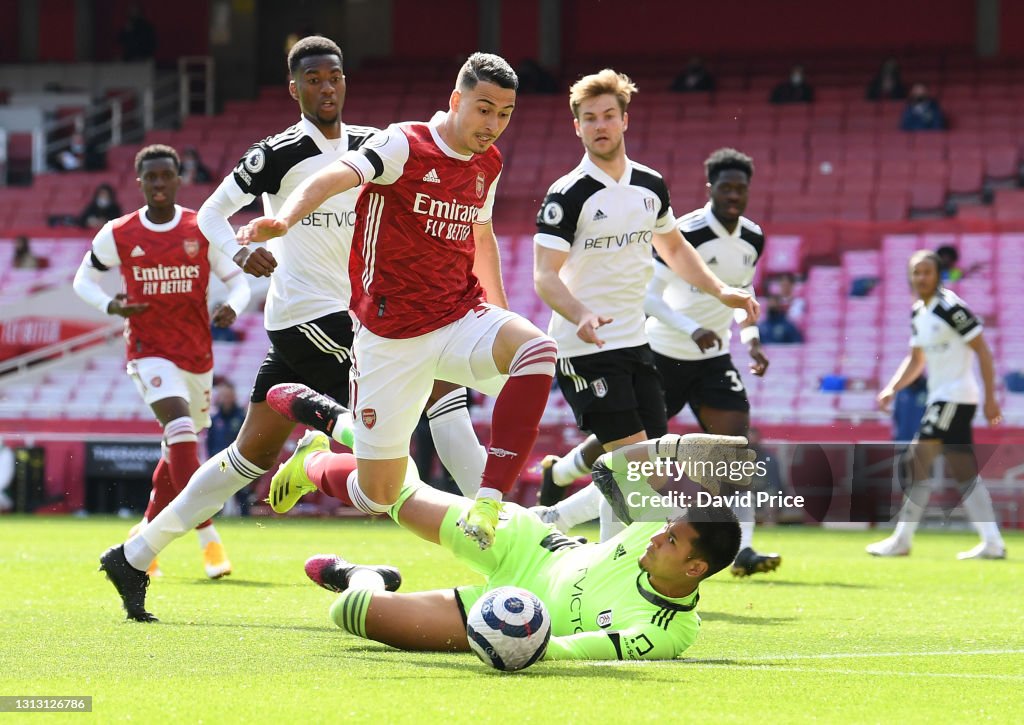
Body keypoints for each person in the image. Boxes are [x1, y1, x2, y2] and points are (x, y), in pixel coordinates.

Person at [240, 52, 558, 551]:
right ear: (456, 100)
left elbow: (481, 234)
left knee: (537, 351)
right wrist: (285, 219)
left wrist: (501, 310)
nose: (493, 123)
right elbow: (332, 178)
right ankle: (316, 463)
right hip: (390, 337)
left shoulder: (488, 163)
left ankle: (490, 502)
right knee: (378, 492)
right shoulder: (401, 143)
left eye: (505, 113)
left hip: (458, 316)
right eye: (483, 108)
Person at [530, 73, 757, 542]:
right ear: (577, 128)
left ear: (624, 120)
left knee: (641, 465)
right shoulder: (567, 194)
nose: (600, 126)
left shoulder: (650, 184)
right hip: (584, 347)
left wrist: (722, 291)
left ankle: (554, 524)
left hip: (637, 343)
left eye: (609, 116)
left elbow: (674, 250)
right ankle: (577, 537)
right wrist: (581, 314)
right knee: (639, 467)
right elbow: (544, 275)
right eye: (589, 118)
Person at [278, 434, 741, 661]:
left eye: (673, 540)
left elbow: (564, 653)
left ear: (696, 568)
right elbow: (610, 468)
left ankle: (364, 573)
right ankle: (318, 455)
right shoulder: (654, 529)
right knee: (398, 498)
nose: (658, 535)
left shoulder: (668, 634)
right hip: (530, 547)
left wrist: (505, 639)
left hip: (508, 614)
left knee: (352, 611)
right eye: (666, 528)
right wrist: (677, 453)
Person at [75, 144, 250, 586]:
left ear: (178, 179)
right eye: (149, 178)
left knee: (177, 449)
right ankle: (208, 535)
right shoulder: (120, 233)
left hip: (196, 355)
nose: (157, 185)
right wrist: (110, 305)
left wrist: (233, 306)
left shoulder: (200, 228)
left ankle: (143, 538)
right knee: (180, 431)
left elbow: (238, 282)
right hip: (148, 351)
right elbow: (83, 279)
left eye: (165, 177)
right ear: (139, 182)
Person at [869, 250, 1006, 559]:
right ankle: (992, 542)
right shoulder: (919, 312)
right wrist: (892, 388)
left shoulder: (951, 308)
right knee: (963, 471)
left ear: (938, 275)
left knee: (917, 459)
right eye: (916, 272)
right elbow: (916, 359)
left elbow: (983, 350)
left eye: (926, 271)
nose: (921, 278)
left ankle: (902, 539)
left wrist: (991, 399)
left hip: (955, 397)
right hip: (943, 398)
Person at [206, 380, 249, 514]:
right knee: (217, 492)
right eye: (223, 396)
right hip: (219, 460)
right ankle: (215, 518)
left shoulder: (242, 417)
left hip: (239, 459)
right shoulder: (214, 418)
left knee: (242, 492)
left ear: (234, 396)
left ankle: (245, 517)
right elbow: (210, 441)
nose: (225, 399)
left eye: (228, 396)